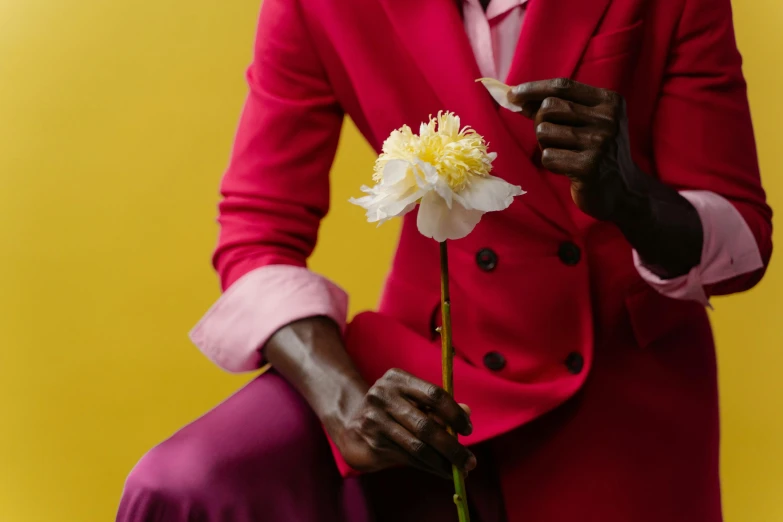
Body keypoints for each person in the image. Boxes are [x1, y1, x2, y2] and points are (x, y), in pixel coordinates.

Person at [117, 0, 773, 520]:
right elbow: (257, 229)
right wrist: (342, 401)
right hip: (419, 375)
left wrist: (631, 199)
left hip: (615, 382)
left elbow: (741, 246)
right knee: (186, 486)